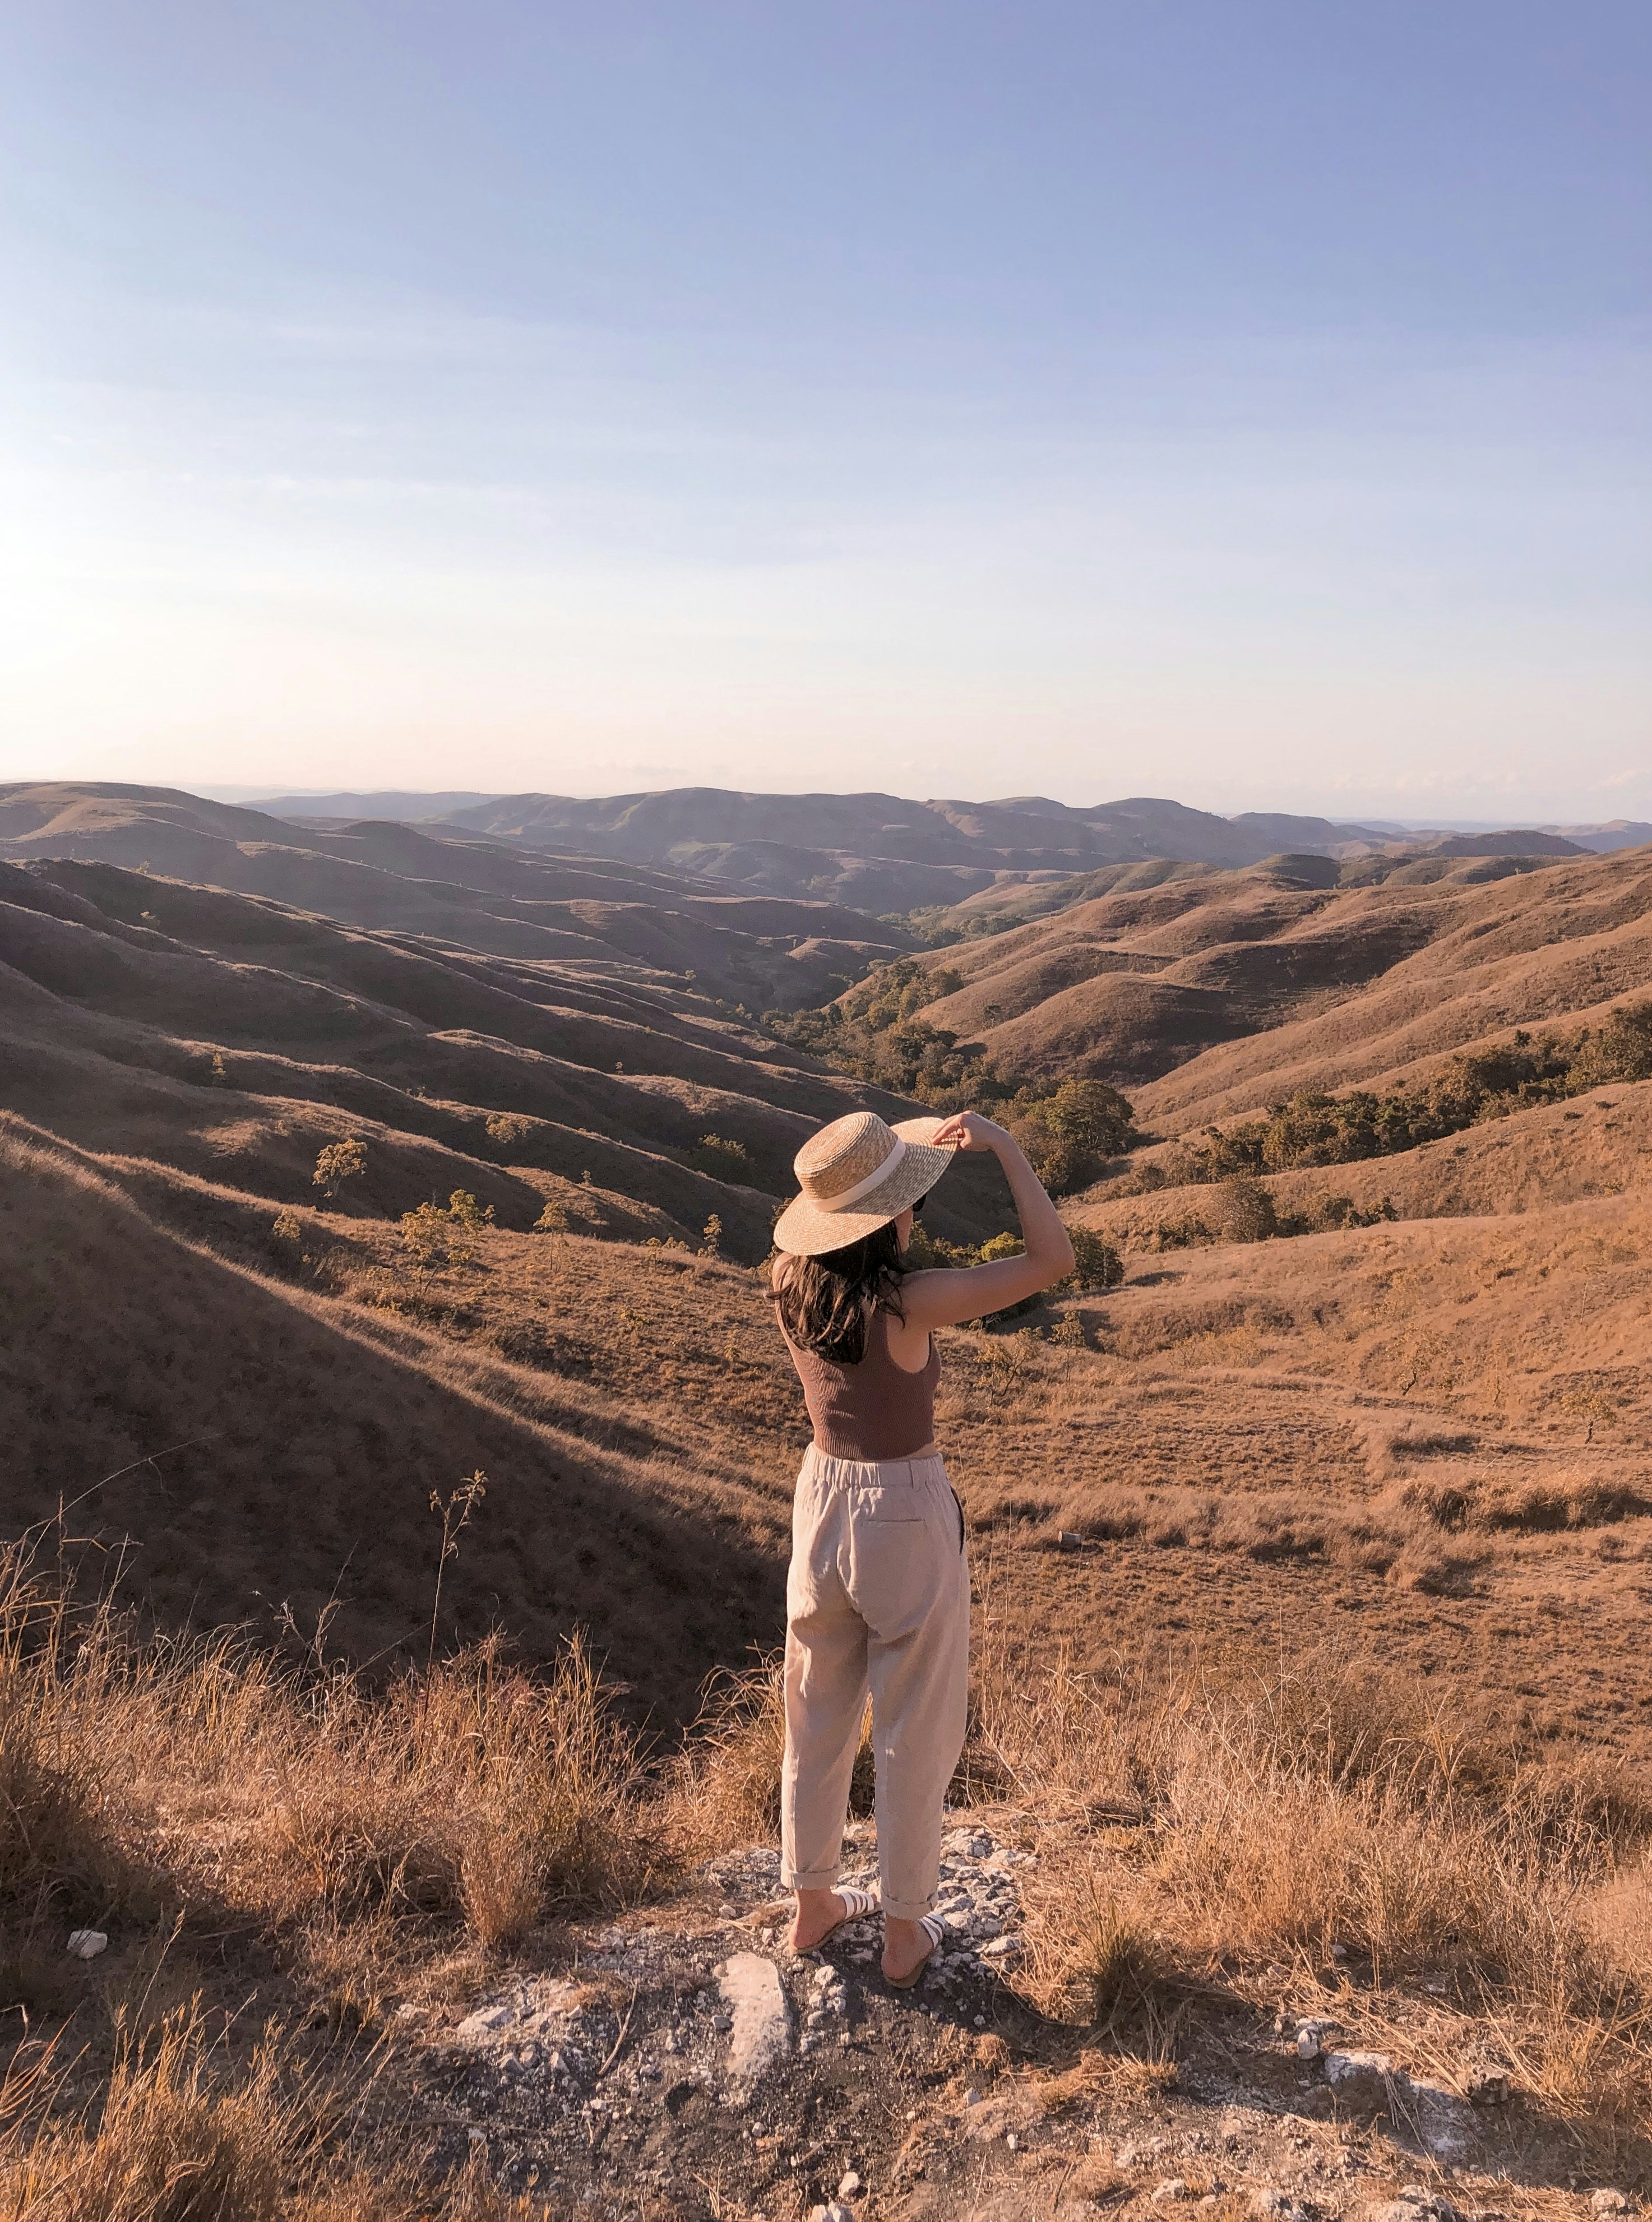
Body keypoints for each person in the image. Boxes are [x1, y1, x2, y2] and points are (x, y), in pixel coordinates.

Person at [768, 1105, 1075, 1987]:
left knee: (816, 1708)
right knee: (914, 1724)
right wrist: (1009, 1148)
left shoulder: (787, 1278)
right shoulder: (909, 1303)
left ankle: (813, 1905)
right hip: (901, 1504)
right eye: (907, 1204)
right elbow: (1052, 1261)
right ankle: (905, 1933)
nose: (916, 1217)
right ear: (886, 1220)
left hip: (820, 1499)